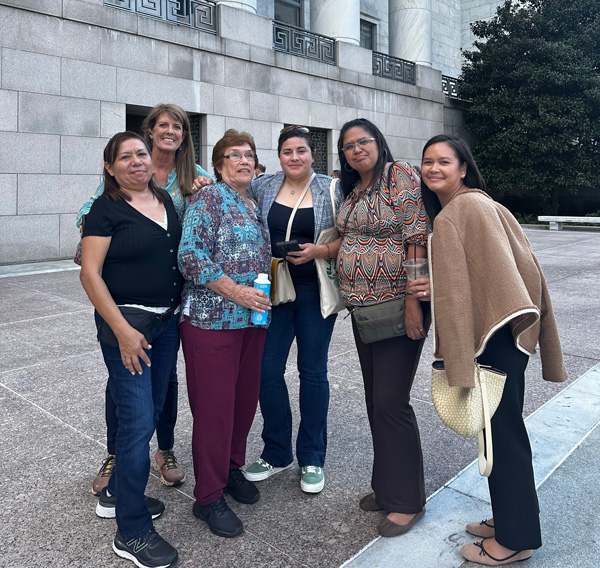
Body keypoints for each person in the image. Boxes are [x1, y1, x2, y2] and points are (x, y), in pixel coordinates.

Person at [413, 134, 567, 566]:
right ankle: (508, 518)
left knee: (503, 437)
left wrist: (460, 358)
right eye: (428, 162)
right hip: (504, 335)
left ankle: (515, 541)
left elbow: (477, 288)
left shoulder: (461, 211)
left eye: (445, 161)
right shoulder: (475, 205)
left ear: (463, 168)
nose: (434, 169)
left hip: (493, 338)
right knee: (500, 433)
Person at [77, 103, 213, 494]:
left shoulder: (194, 177)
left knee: (164, 380)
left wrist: (209, 193)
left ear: (185, 136)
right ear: (150, 132)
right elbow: (91, 215)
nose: (171, 132)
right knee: (125, 384)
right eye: (163, 126)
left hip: (174, 298)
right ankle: (118, 458)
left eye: (179, 127)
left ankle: (164, 450)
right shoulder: (126, 174)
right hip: (129, 302)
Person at [80, 132, 182, 568]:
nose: (136, 161)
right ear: (110, 168)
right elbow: (90, 273)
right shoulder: (105, 210)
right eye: (125, 156)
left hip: (166, 323)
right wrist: (121, 330)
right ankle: (132, 532)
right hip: (130, 327)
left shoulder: (164, 199)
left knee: (152, 409)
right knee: (139, 423)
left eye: (141, 153)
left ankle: (117, 494)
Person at [336, 118, 430, 537]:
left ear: (378, 143)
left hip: (397, 307)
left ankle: (408, 500)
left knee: (392, 402)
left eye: (363, 142)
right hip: (363, 310)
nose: (357, 149)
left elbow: (417, 237)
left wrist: (414, 303)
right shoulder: (353, 188)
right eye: (348, 146)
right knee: (377, 400)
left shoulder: (399, 176)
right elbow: (347, 238)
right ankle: (386, 486)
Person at [178, 129, 271, 538]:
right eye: (234, 155)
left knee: (243, 403)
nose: (243, 160)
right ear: (218, 165)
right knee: (215, 409)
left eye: (249, 154)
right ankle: (208, 496)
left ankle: (232, 469)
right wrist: (236, 292)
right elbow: (190, 255)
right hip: (210, 321)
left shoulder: (254, 203)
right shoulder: (209, 198)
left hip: (251, 322)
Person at [243, 126, 344, 493]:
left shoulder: (330, 190)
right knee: (266, 370)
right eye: (287, 151)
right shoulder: (264, 186)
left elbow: (349, 237)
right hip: (273, 290)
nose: (295, 157)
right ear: (280, 156)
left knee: (312, 372)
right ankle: (276, 451)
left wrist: (319, 251)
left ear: (312, 154)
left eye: (301, 150)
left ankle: (313, 457)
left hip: (316, 291)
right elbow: (231, 187)